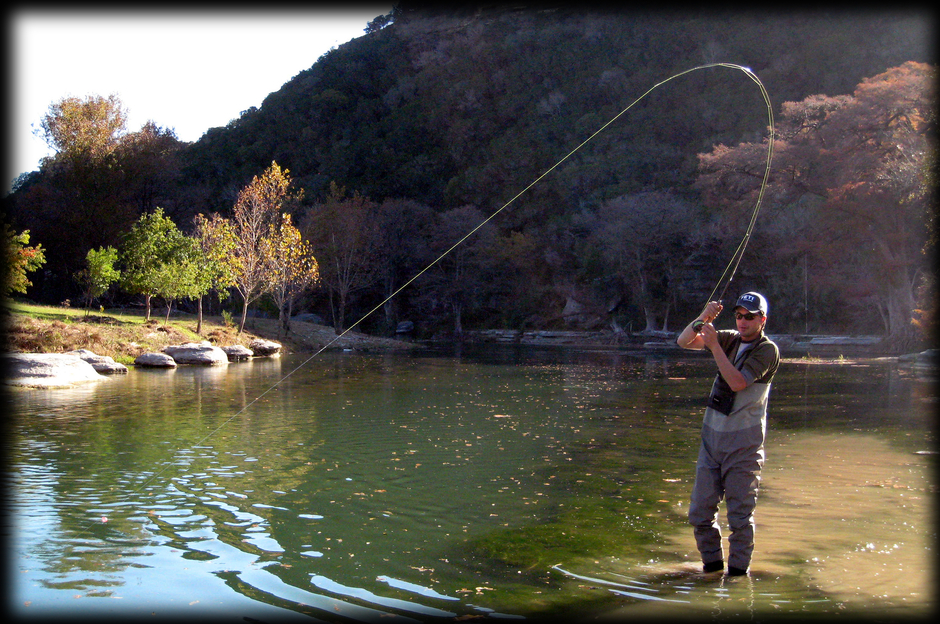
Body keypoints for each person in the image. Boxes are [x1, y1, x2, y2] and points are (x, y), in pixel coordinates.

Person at [676, 291, 779, 576]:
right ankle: (711, 572)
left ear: (762, 320)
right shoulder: (730, 337)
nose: (743, 321)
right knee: (699, 514)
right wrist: (703, 318)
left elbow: (736, 382)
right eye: (739, 315)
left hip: (744, 446)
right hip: (712, 441)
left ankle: (736, 581)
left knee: (740, 519)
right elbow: (684, 341)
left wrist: (714, 346)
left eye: (750, 317)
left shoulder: (767, 350)